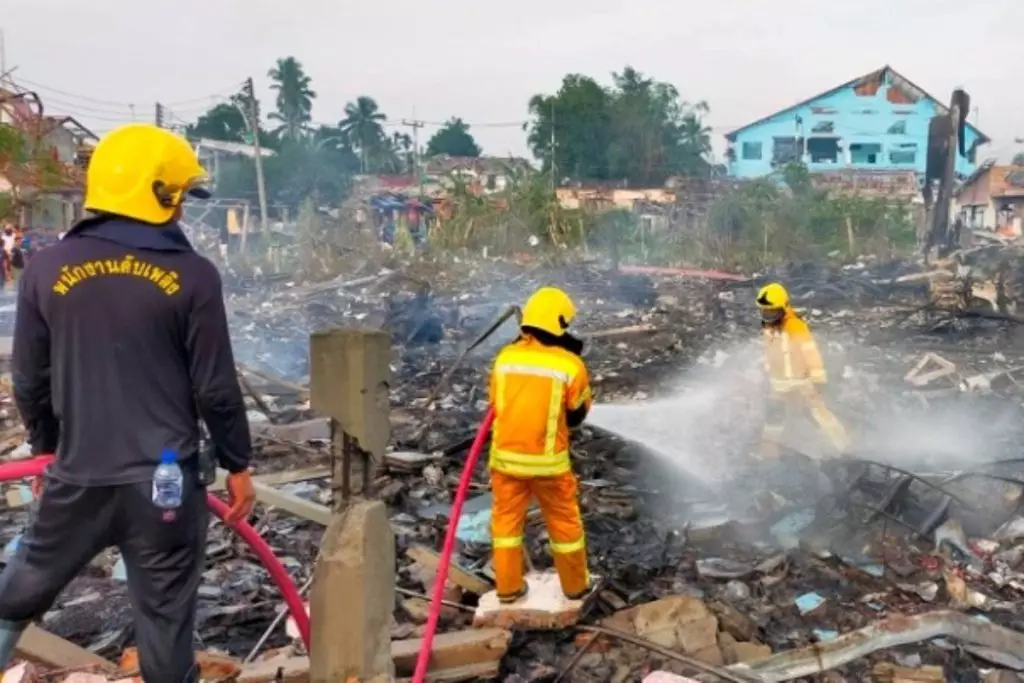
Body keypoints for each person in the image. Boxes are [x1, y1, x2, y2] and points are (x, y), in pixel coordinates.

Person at [2, 122, 256, 682]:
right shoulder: (193, 276)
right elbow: (214, 387)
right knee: (165, 632)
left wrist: (47, 450)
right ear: (158, 194)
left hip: (77, 479)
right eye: (181, 197)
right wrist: (238, 463)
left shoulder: (45, 269)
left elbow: (29, 380)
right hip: (163, 489)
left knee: (15, 597)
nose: (184, 211)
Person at [488, 286, 593, 604]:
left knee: (506, 525)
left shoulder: (504, 359)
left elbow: (495, 403)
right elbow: (577, 415)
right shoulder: (570, 366)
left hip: (505, 462)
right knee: (564, 524)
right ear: (559, 323)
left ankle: (507, 589)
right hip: (549, 466)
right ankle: (574, 586)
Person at [756, 282, 849, 460]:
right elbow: (770, 353)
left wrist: (818, 378)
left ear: (784, 308)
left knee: (819, 415)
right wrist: (767, 371)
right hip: (779, 385)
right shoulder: (769, 329)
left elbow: (810, 352)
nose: (767, 316)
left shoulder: (796, 326)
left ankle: (843, 448)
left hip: (802, 382)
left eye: (772, 312)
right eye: (764, 312)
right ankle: (768, 454)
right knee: (774, 418)